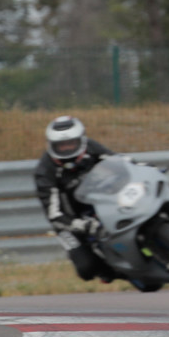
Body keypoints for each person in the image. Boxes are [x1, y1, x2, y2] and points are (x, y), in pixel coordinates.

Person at [33, 115, 120, 283]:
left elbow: (117, 160)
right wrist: (79, 225)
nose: (66, 149)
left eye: (70, 143)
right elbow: (53, 214)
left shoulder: (91, 147)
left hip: (98, 202)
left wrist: (141, 167)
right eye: (61, 145)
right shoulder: (45, 171)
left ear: (81, 140)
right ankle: (111, 272)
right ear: (51, 145)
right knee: (86, 270)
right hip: (68, 220)